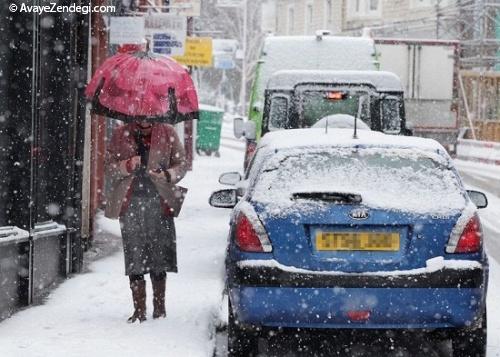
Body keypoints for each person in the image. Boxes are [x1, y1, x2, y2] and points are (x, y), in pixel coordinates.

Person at [105, 119, 187, 323]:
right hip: (129, 203)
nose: (145, 119)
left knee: (160, 256)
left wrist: (167, 174)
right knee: (134, 257)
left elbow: (182, 164)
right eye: (141, 115)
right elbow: (108, 168)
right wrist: (127, 165)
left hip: (160, 202)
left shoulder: (167, 133)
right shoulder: (121, 134)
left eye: (150, 116)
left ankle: (160, 309)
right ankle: (139, 310)